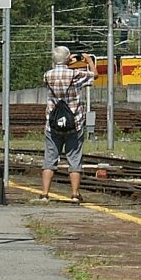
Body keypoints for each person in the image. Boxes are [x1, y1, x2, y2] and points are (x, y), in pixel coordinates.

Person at [41, 45, 95, 202]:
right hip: (74, 123)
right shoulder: (75, 75)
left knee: (50, 159)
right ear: (68, 58)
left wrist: (65, 62)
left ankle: (44, 194)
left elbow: (59, 74)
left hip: (53, 124)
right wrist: (89, 61)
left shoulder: (47, 76)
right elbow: (95, 76)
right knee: (74, 159)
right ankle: (74, 194)